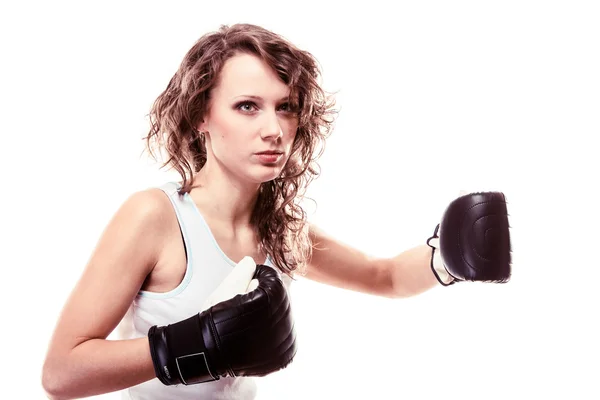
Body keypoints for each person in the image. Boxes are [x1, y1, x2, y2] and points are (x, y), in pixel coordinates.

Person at [41, 23, 511, 400]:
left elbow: (383, 276)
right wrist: (198, 344)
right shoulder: (156, 217)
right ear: (202, 116)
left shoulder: (280, 228)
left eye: (285, 108)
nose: (274, 130)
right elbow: (61, 374)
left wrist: (447, 258)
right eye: (248, 106)